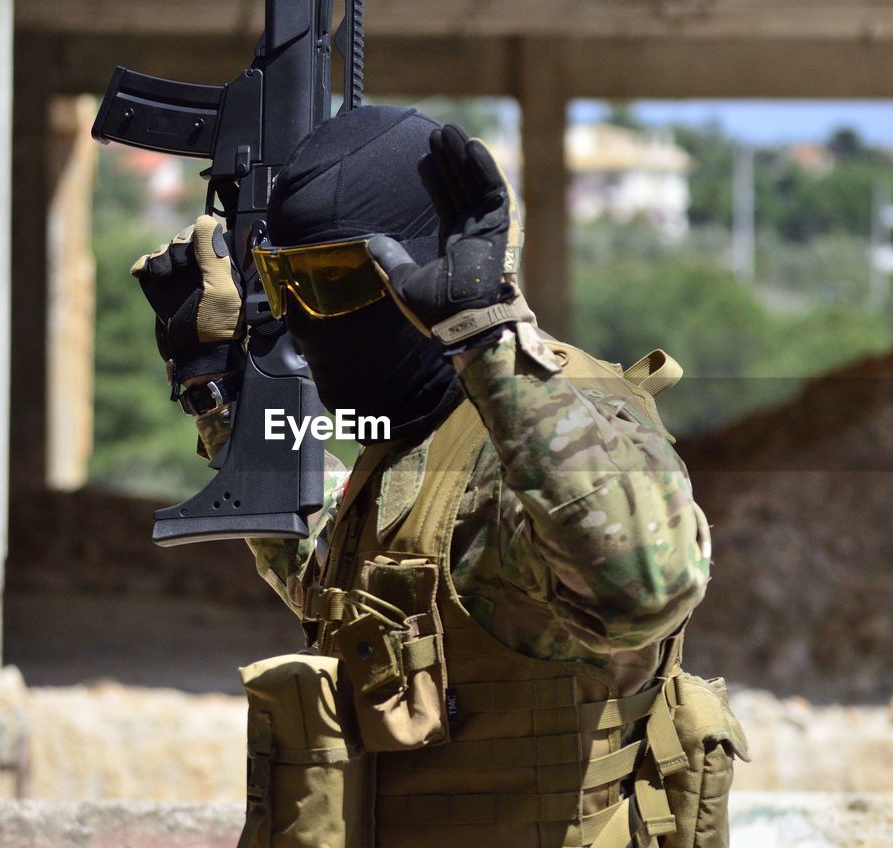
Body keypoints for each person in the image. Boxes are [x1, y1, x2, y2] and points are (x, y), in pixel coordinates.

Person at [132, 105, 747, 848]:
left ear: (423, 268)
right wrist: (218, 392)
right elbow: (326, 575)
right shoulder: (414, 433)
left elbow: (643, 587)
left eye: (329, 282)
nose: (301, 321)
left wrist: (488, 337)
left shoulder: (557, 428)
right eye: (283, 283)